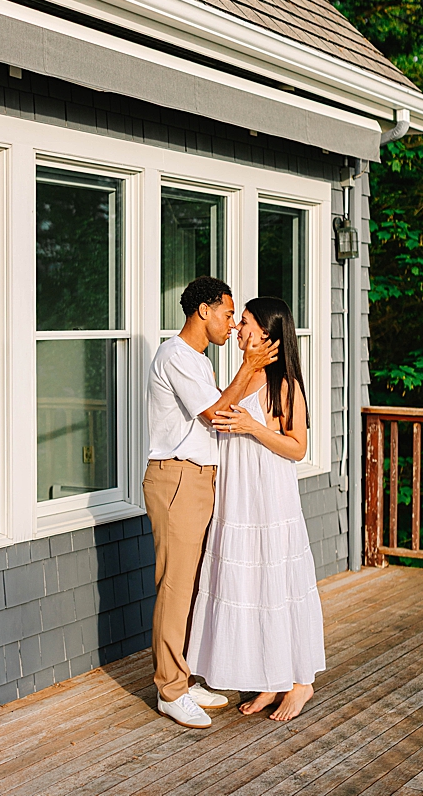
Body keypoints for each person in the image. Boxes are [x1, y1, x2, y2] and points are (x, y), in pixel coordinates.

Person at [143, 276, 279, 729]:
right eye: (228, 314)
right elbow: (216, 415)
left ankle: (183, 676)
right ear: (203, 311)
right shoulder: (175, 355)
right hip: (177, 478)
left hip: (200, 479)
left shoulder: (199, 361)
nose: (232, 324)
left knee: (195, 584)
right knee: (176, 586)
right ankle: (170, 690)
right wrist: (249, 366)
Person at [188, 297, 326, 721]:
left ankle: (300, 683)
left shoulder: (285, 384)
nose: (237, 328)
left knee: (278, 585)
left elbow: (297, 448)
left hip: (269, 497)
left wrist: (252, 426)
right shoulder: (243, 375)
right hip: (237, 498)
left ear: (265, 333)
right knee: (252, 587)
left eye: (244, 322)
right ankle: (271, 679)